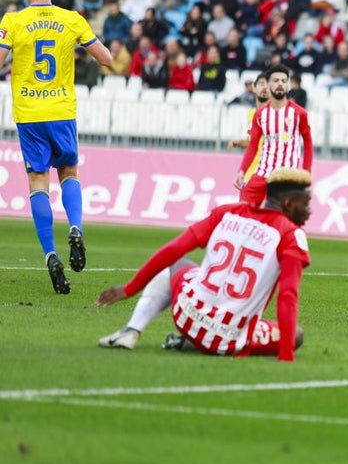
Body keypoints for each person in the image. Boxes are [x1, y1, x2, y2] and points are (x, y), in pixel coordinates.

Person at [95, 169, 312, 362]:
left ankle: (131, 330)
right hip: (229, 339)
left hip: (187, 315)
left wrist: (129, 288)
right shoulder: (290, 235)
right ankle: (190, 342)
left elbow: (173, 250)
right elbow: (288, 296)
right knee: (295, 335)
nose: (309, 211)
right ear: (288, 204)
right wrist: (286, 357)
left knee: (178, 263)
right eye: (306, 203)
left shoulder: (227, 213)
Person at [0, 0, 113, 294]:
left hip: (30, 113)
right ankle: (75, 228)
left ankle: (51, 254)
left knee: (38, 182)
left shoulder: (12, 20)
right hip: (61, 111)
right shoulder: (71, 19)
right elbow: (106, 59)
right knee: (69, 173)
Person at [234, 65, 313, 207]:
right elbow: (253, 145)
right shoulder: (260, 114)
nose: (280, 84)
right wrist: (242, 171)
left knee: (279, 221)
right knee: (242, 210)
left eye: (283, 81)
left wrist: (306, 173)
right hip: (262, 175)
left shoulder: (299, 113)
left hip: (286, 177)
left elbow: (307, 142)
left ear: (288, 85)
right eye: (276, 81)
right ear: (269, 84)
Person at [228, 73, 270, 187]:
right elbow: (253, 142)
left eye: (268, 85)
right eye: (261, 84)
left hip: (270, 173)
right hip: (251, 171)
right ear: (254, 88)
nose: (265, 88)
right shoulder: (252, 114)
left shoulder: (278, 115)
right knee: (245, 204)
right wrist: (239, 142)